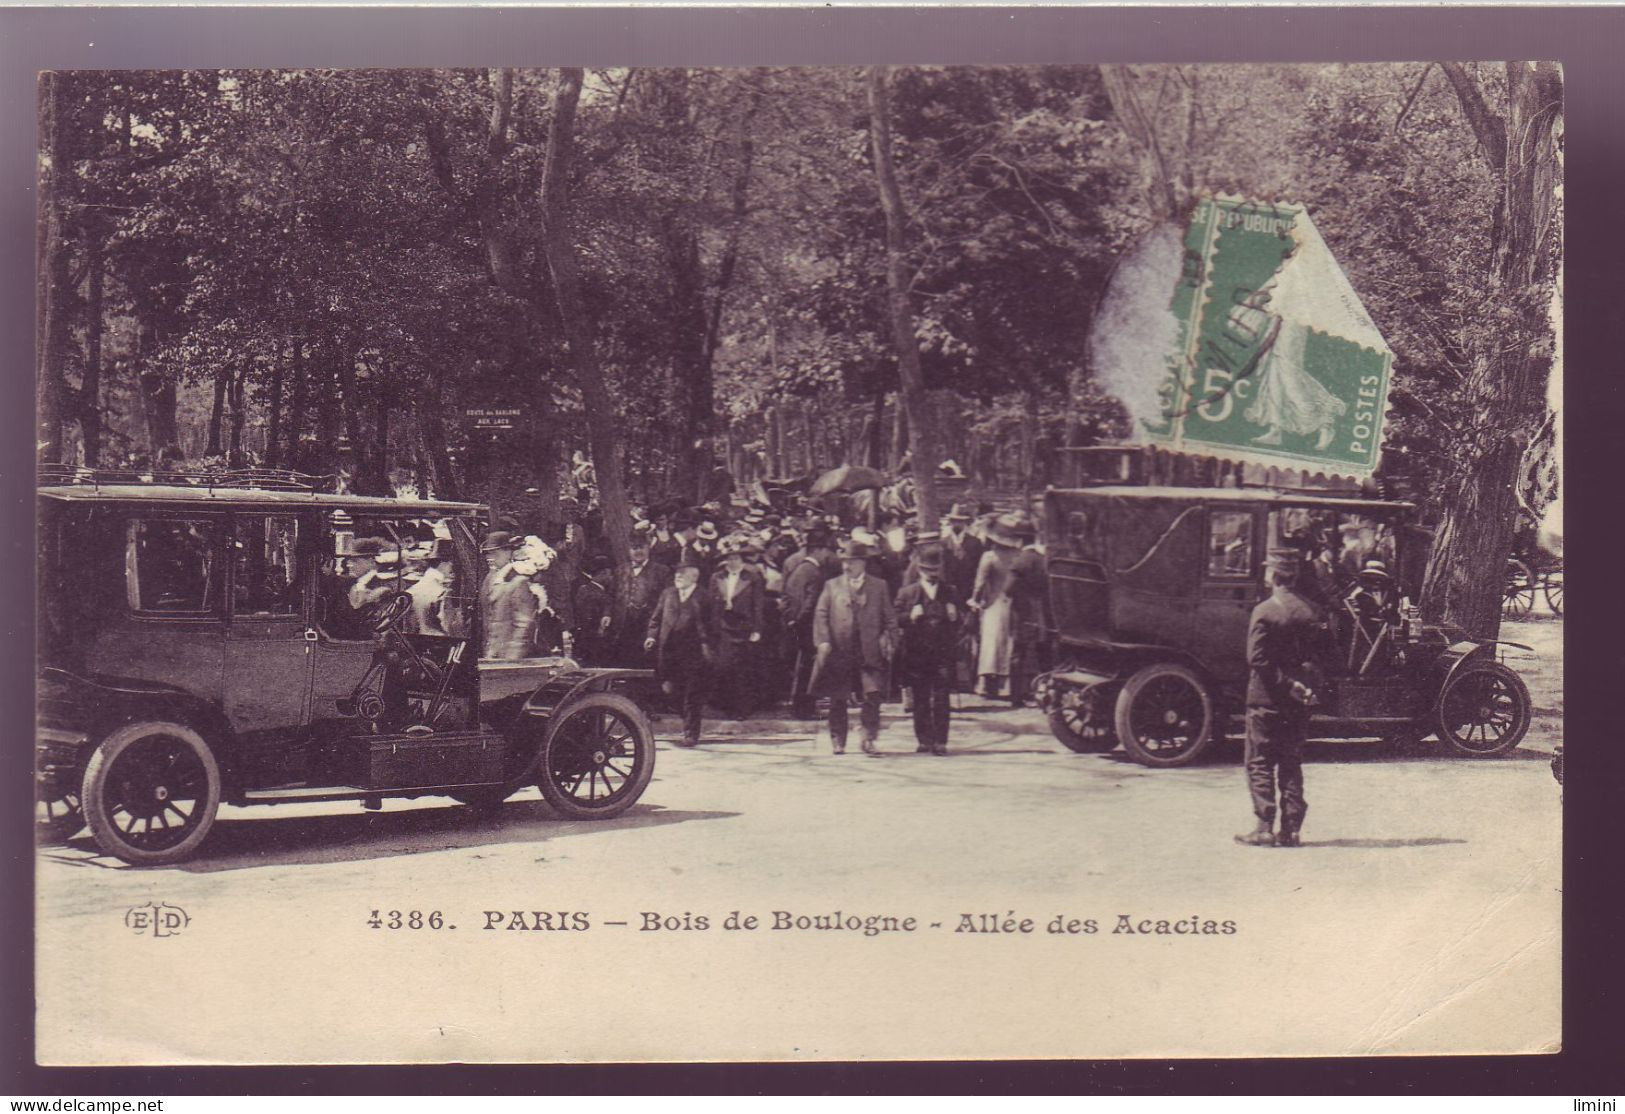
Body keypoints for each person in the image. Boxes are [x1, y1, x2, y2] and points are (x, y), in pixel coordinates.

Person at [1237, 548, 1330, 848]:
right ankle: (1291, 830)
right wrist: (1305, 686)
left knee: (1260, 760)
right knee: (1291, 762)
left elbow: (1258, 660)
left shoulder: (1265, 611)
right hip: (1299, 701)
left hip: (1266, 699)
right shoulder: (1313, 611)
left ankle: (1264, 827)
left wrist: (1285, 684)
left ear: (1272, 576)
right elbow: (1325, 657)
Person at [812, 539, 898, 756]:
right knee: (838, 697)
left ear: (863, 563)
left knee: (872, 696)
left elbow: (890, 617)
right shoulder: (832, 585)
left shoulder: (879, 586)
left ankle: (868, 739)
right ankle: (838, 740)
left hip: (869, 651)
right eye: (844, 562)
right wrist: (823, 640)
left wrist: (891, 639)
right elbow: (821, 614)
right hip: (840, 651)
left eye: (851, 562)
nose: (846, 566)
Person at [894, 544, 962, 755]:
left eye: (935, 570)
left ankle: (941, 741)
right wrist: (909, 617)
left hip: (942, 653)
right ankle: (924, 739)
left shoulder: (950, 591)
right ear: (920, 569)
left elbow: (964, 621)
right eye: (928, 570)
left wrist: (955, 616)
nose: (932, 574)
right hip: (917, 653)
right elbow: (894, 618)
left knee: (942, 697)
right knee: (921, 697)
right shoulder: (907, 593)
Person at [645, 556, 717, 748]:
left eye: (682, 573)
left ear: (694, 576)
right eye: (677, 573)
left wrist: (709, 648)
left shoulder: (705, 597)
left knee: (692, 694)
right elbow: (656, 618)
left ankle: (691, 734)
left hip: (694, 654)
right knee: (671, 691)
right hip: (669, 653)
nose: (678, 576)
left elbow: (713, 626)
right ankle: (686, 718)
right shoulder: (668, 593)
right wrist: (651, 636)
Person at [970, 513, 1025, 699]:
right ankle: (1008, 686)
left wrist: (975, 600)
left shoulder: (989, 557)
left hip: (993, 603)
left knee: (991, 645)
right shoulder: (1019, 556)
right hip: (1014, 604)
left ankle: (986, 685)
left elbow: (980, 582)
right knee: (1009, 644)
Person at [710, 537, 765, 717]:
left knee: (743, 669)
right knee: (724, 666)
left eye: (737, 558)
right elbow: (711, 604)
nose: (733, 562)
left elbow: (758, 605)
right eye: (730, 558)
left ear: (742, 560)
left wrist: (757, 629)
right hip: (724, 627)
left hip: (744, 627)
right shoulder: (717, 577)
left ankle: (743, 708)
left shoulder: (753, 578)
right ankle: (726, 705)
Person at [783, 529, 834, 719]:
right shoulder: (815, 573)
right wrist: (802, 621)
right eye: (825, 550)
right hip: (808, 628)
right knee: (809, 670)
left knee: (801, 668)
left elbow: (787, 598)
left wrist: (791, 620)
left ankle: (799, 706)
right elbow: (812, 603)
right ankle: (805, 709)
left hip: (797, 627)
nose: (827, 555)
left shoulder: (797, 570)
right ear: (818, 550)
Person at [614, 529, 671, 666]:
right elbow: (612, 597)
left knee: (647, 662)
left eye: (642, 547)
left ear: (648, 548)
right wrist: (607, 615)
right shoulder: (620, 570)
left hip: (649, 625)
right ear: (628, 550)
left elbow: (667, 601)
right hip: (624, 624)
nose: (638, 551)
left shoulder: (662, 571)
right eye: (634, 548)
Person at [572, 554, 614, 665]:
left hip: (585, 642)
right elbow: (589, 621)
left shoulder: (584, 590)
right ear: (603, 573)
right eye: (610, 574)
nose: (611, 578)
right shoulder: (596, 594)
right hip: (594, 645)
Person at [940, 503, 984, 603]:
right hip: (949, 590)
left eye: (959, 521)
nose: (956, 524)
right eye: (954, 521)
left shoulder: (975, 542)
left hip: (968, 589)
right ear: (950, 522)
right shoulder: (943, 543)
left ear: (964, 522)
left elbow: (979, 567)